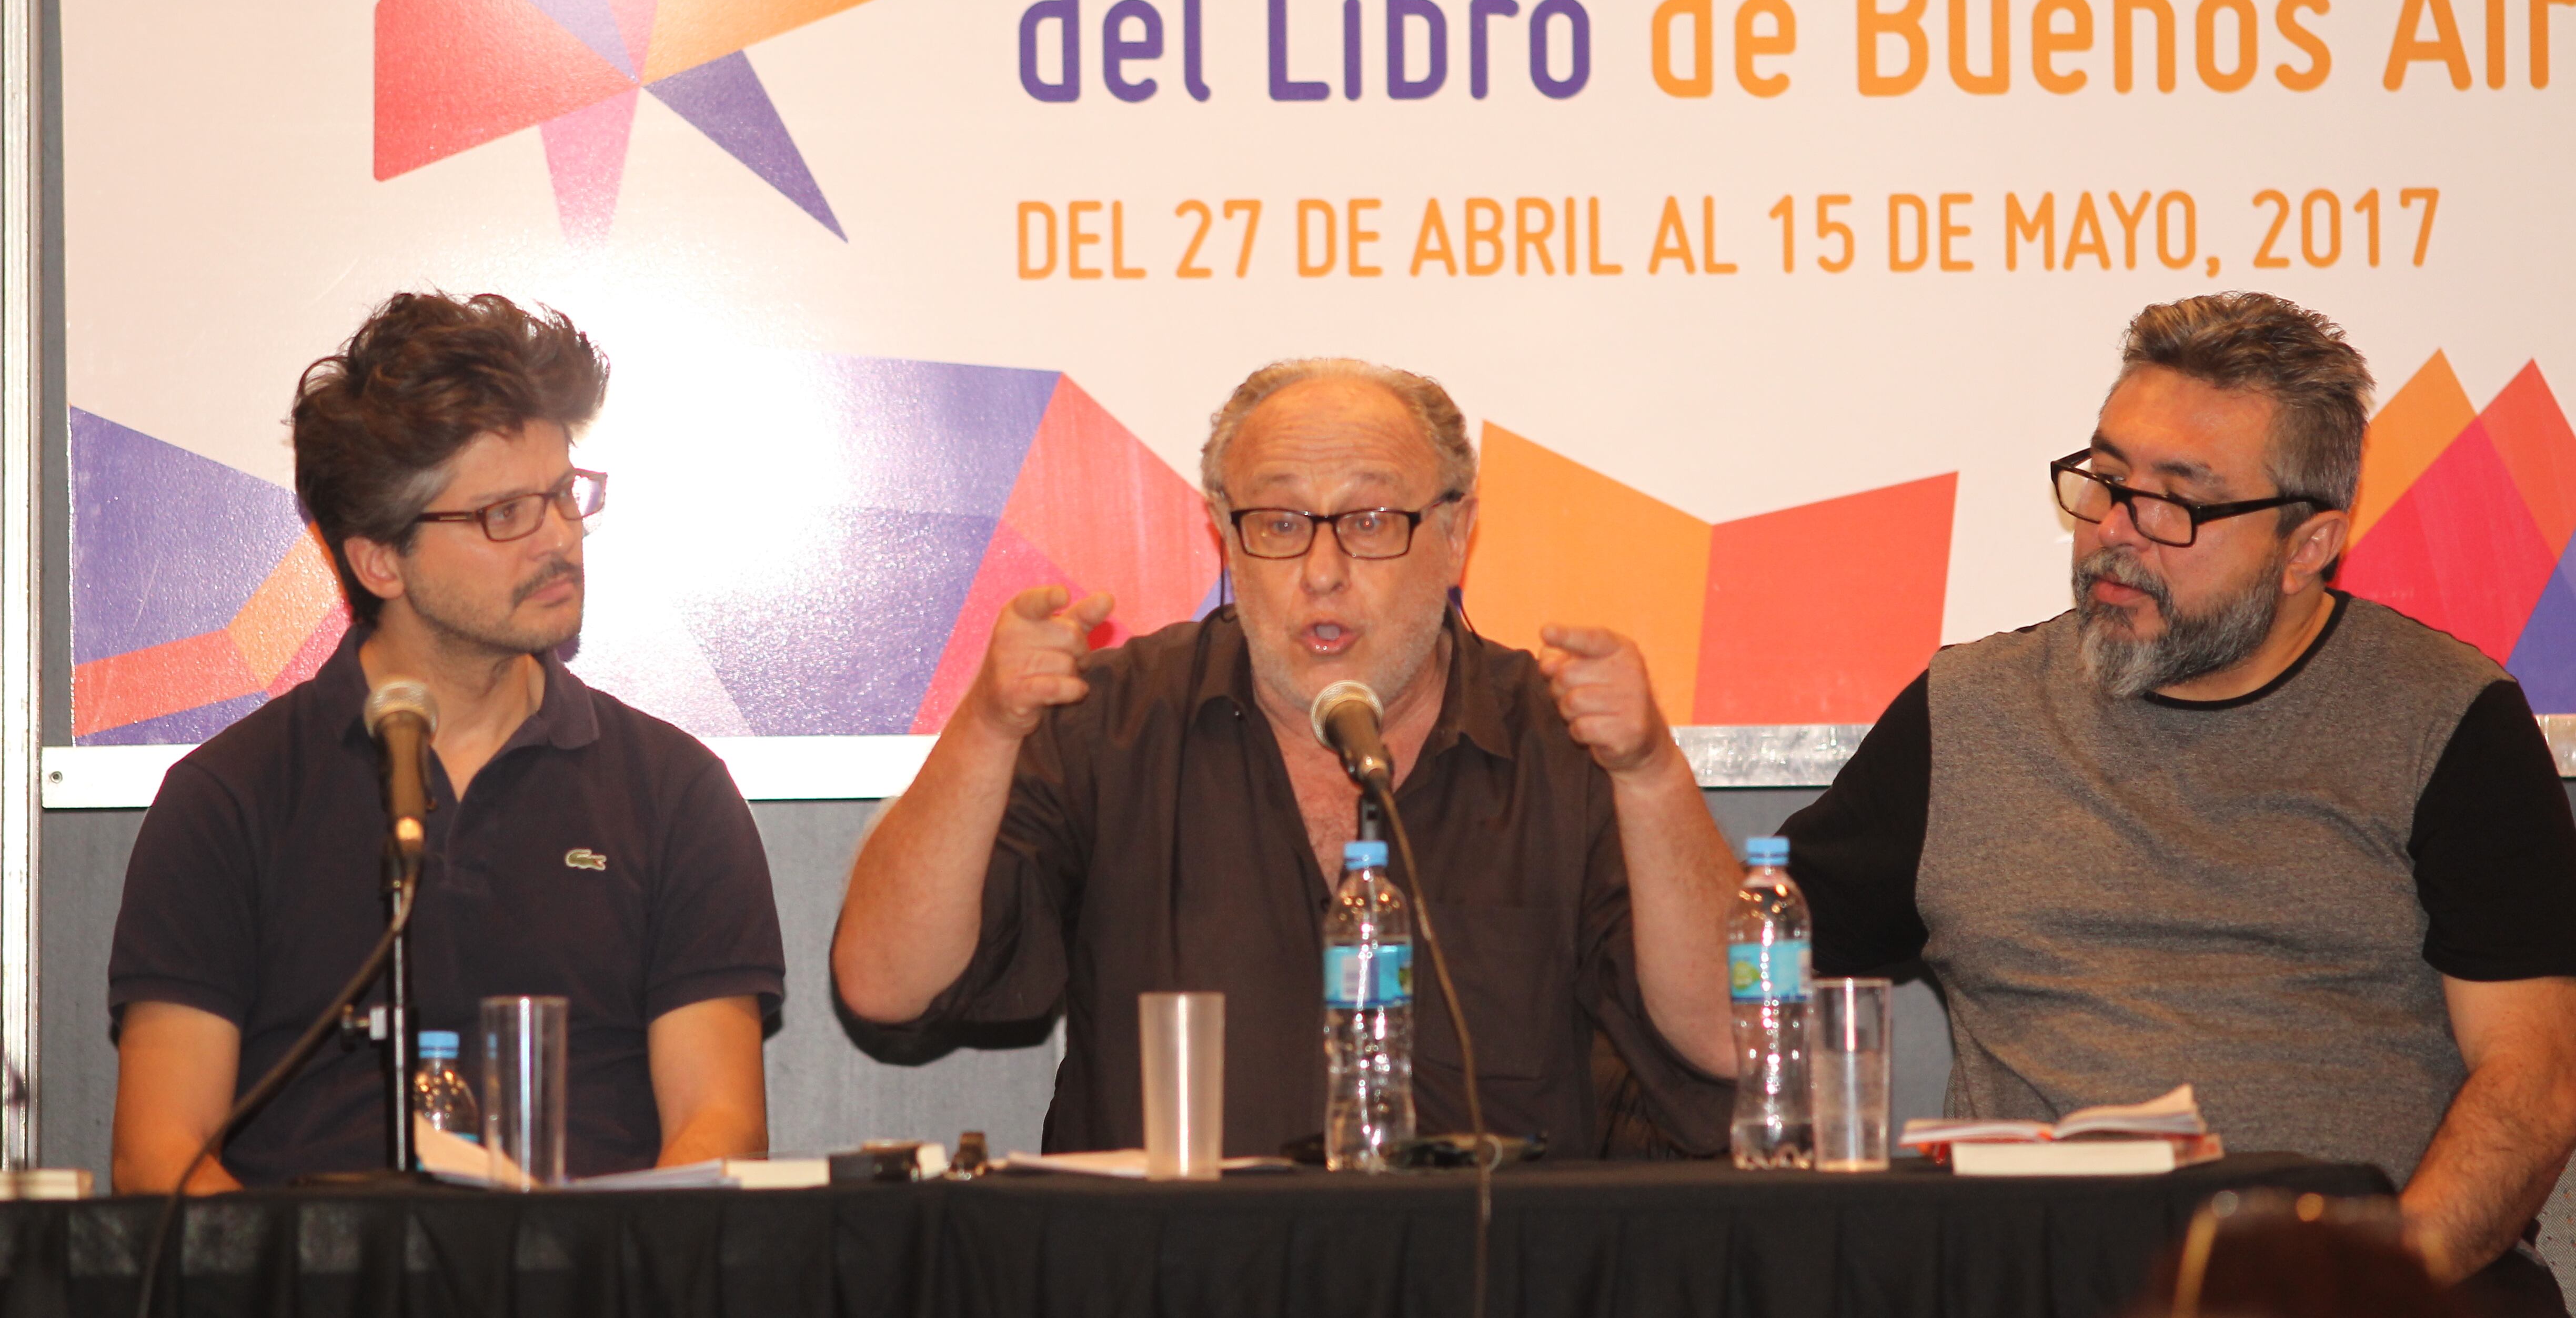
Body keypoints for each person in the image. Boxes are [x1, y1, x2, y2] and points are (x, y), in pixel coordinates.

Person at [1784, 293, 2576, 1311]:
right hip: (2039, 1283)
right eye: (2106, 481)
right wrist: (1645, 774)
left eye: (2177, 503)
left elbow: (2535, 1085)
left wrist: (2362, 1291)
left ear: (2309, 545)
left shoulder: (2446, 720)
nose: (2117, 533)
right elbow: (1741, 984)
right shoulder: (1968, 713)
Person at [831, 357, 1739, 1157]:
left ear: (1457, 536)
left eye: (1373, 520)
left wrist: (1651, 774)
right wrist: (988, 728)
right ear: (1224, 534)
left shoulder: (1561, 742)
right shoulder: (1110, 725)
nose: (1322, 570)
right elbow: (885, 984)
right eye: (1277, 523)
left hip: (1480, 1276)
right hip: (1170, 1278)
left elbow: (1738, 1040)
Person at [108, 293, 786, 1190]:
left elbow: (721, 1127)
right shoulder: (229, 800)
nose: (558, 538)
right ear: (380, 560)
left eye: (562, 495)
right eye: (504, 513)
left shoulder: (673, 791)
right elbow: (161, 1155)